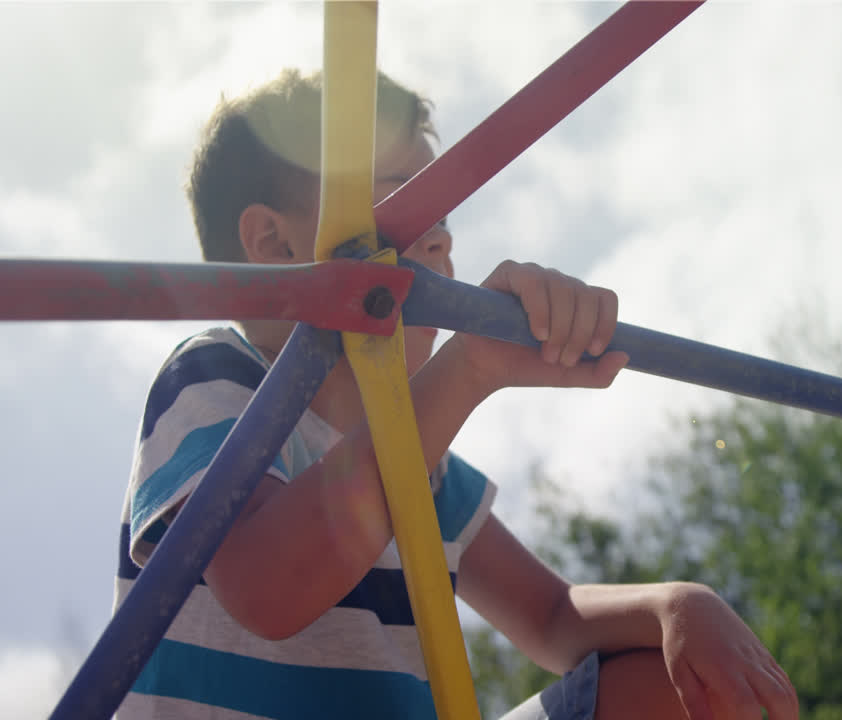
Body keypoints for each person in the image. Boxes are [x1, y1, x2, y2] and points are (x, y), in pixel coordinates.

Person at [113, 68, 798, 720]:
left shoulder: (429, 472)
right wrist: (468, 368)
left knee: (666, 685)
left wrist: (674, 604)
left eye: (441, 214)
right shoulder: (214, 378)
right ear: (274, 241)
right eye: (402, 199)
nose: (440, 234)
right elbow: (270, 588)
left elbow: (553, 617)